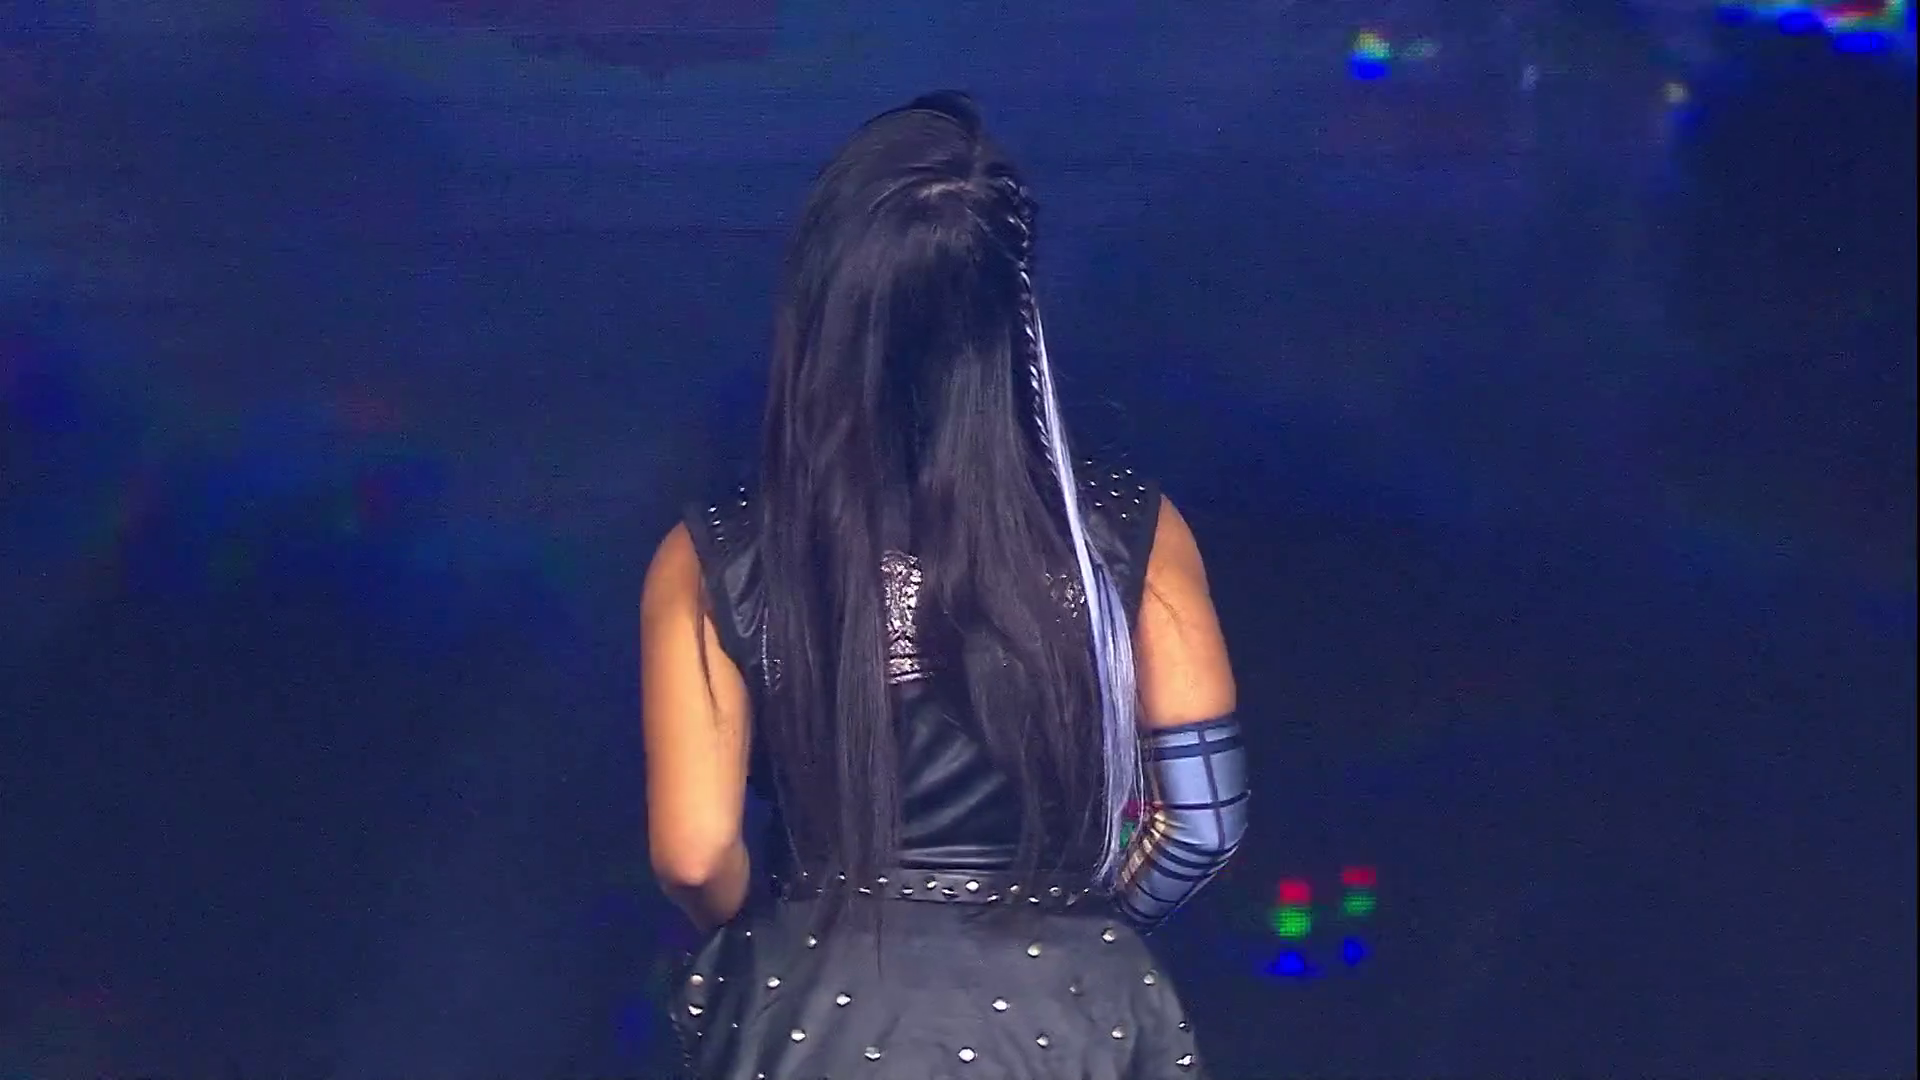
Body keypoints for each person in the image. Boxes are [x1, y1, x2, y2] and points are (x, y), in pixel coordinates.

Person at [640, 91, 1245, 1079]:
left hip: (818, 1023)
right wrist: (1074, 938)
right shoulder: (1130, 530)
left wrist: (788, 947)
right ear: (1012, 308)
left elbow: (695, 852)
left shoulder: (718, 553)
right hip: (1071, 1026)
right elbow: (1202, 825)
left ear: (825, 303)